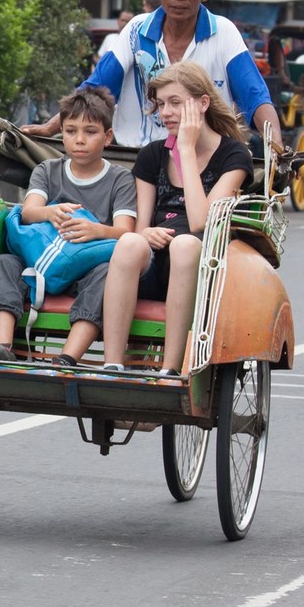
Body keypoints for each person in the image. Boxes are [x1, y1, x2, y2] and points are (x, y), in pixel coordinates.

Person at [34, 0, 282, 149]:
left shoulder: (224, 33)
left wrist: (277, 148)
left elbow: (256, 98)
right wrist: (50, 127)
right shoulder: (136, 30)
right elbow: (96, 88)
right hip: (138, 157)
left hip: (206, 161)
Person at [101, 62, 255, 375]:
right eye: (160, 104)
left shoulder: (234, 155)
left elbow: (201, 221)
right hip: (153, 266)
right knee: (130, 242)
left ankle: (170, 369)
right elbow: (140, 224)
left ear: (202, 103)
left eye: (175, 102)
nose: (166, 113)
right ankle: (113, 364)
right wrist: (146, 234)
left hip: (201, 267)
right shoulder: (152, 155)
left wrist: (185, 148)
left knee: (185, 243)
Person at [0, 85, 136, 366]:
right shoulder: (47, 170)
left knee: (106, 275)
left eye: (90, 132)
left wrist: (97, 230)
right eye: (70, 131)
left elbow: (126, 232)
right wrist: (50, 212)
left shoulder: (120, 179)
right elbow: (28, 213)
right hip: (39, 263)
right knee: (3, 262)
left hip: (86, 270)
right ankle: (1, 347)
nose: (79, 140)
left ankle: (67, 356)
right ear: (61, 133)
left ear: (107, 136)